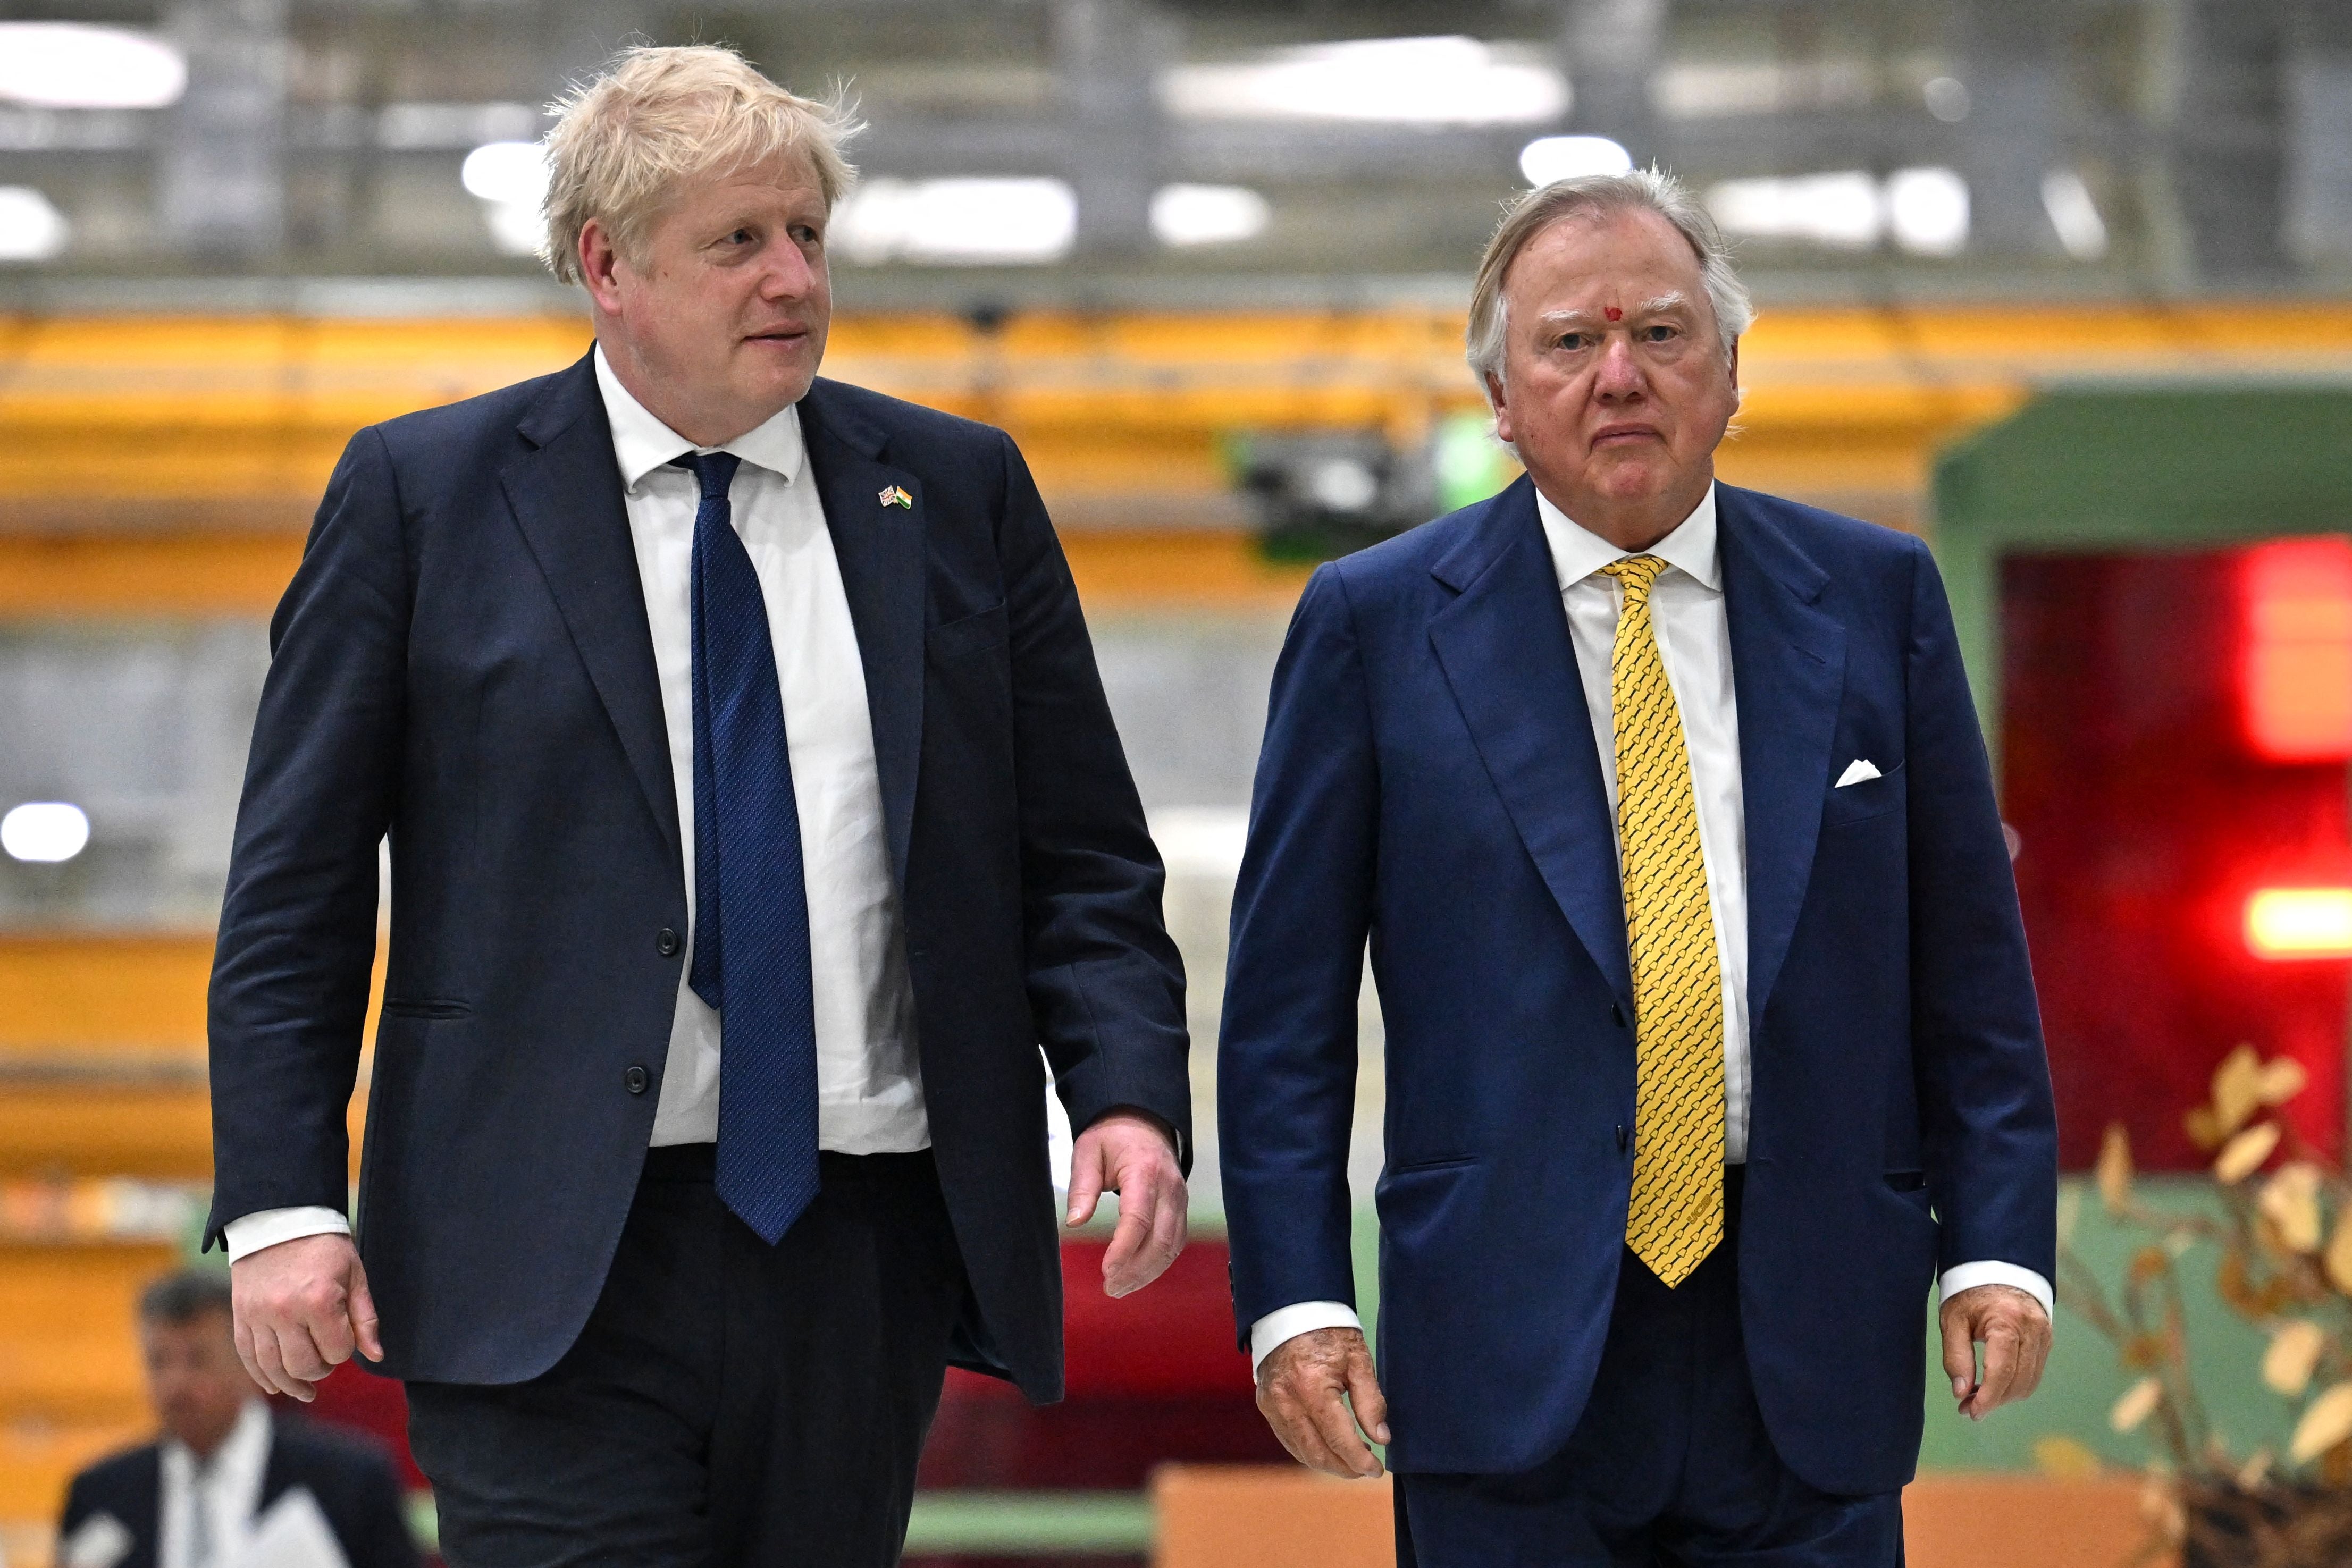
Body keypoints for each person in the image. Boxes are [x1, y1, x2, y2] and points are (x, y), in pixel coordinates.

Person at [205, 44, 1191, 1567]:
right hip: (537, 1247)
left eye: (808, 234)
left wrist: (1125, 1089)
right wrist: (280, 1199)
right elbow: (296, 888)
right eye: (740, 241)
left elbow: (1081, 854)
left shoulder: (956, 492)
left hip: (861, 1241)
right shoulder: (425, 496)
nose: (793, 276)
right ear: (609, 265)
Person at [1219, 169, 2057, 1565]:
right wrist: (1298, 1299)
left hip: (1808, 1325)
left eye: (1663, 335)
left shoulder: (1876, 599)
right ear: (1498, 395)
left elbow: (1969, 960)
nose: (1620, 375)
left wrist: (1996, 1241)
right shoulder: (1371, 625)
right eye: (1569, 342)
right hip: (1505, 1339)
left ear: (1731, 373)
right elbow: (1284, 1021)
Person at [57, 1271, 418, 1568]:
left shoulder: (348, 1482)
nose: (176, 1383)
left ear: (248, 1363)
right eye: (159, 1362)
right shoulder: (100, 1493)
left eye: (198, 1360)